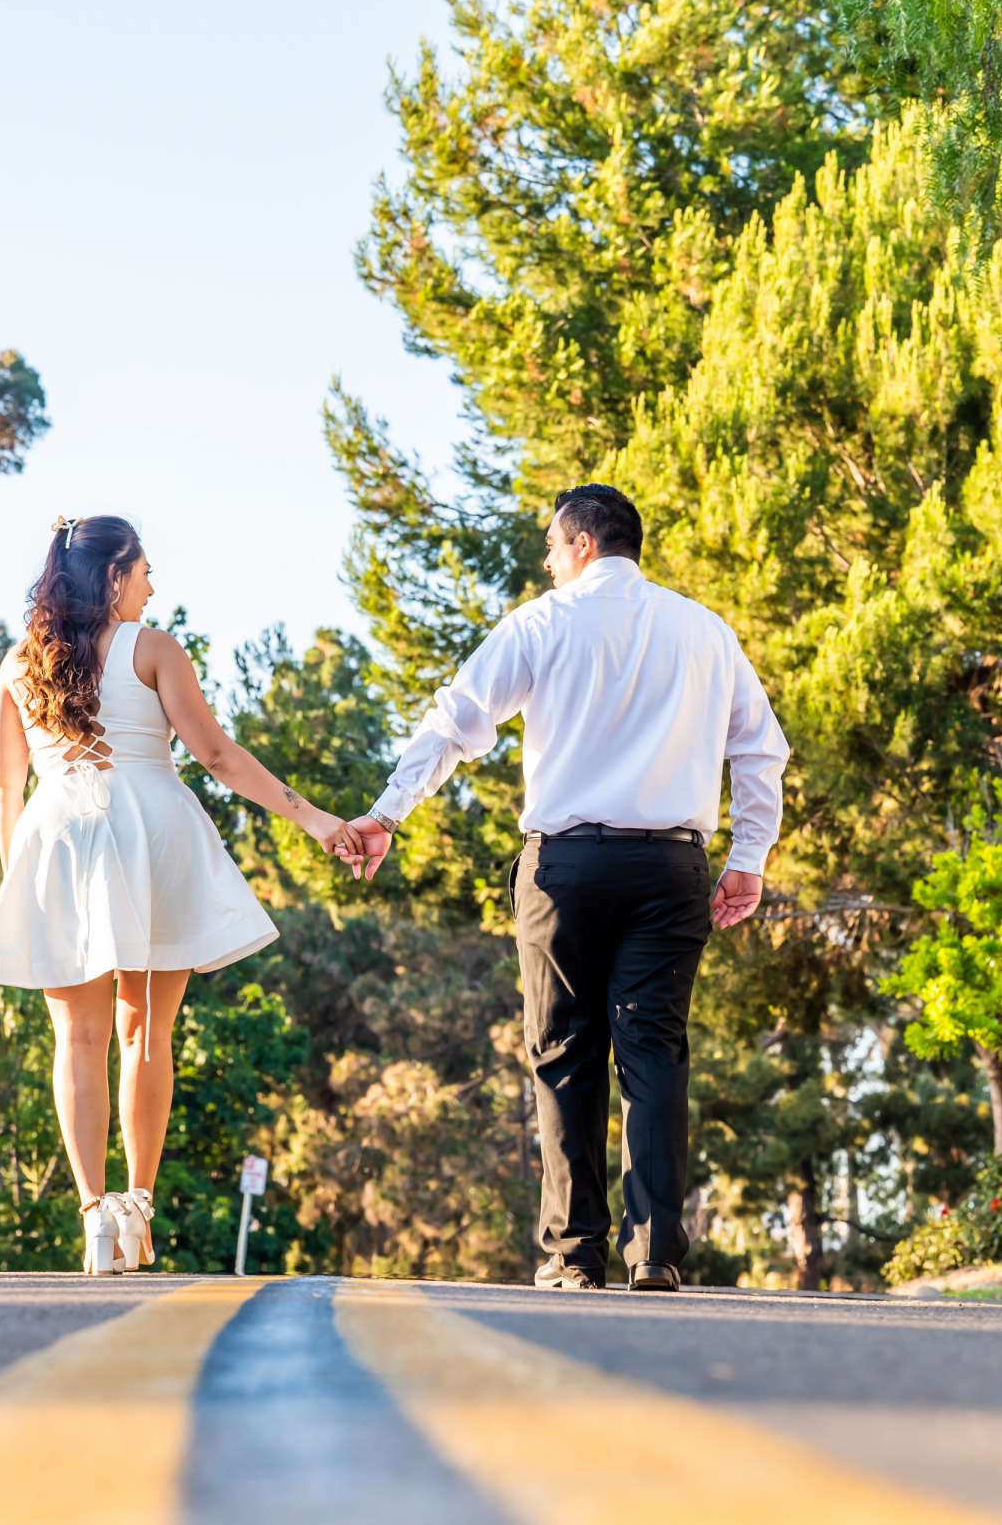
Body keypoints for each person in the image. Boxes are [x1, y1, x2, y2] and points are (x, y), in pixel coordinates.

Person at [334, 484, 788, 1291]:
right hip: (670, 869)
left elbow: (455, 723)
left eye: (550, 548)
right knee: (654, 1056)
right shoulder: (706, 632)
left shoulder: (544, 623)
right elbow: (761, 751)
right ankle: (655, 1254)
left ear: (581, 544)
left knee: (565, 1055)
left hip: (565, 870)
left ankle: (574, 1256)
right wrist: (747, 855)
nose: (546, 565)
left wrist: (386, 813)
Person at [0, 515, 348, 1274]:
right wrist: (313, 819)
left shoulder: (16, 666)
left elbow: (6, 786)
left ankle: (92, 1217)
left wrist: (22, 886)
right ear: (114, 577)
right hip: (154, 831)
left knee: (76, 1041)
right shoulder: (154, 648)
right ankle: (137, 1204)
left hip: (58, 838)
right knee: (147, 1032)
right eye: (144, 571)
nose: (151, 585)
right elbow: (214, 753)